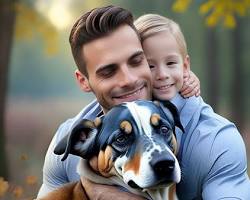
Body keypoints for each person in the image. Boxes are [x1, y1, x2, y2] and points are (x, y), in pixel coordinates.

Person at [35, 5, 205, 199]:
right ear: (83, 81)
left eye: (136, 61)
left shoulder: (213, 139)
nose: (129, 80)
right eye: (108, 71)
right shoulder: (68, 140)